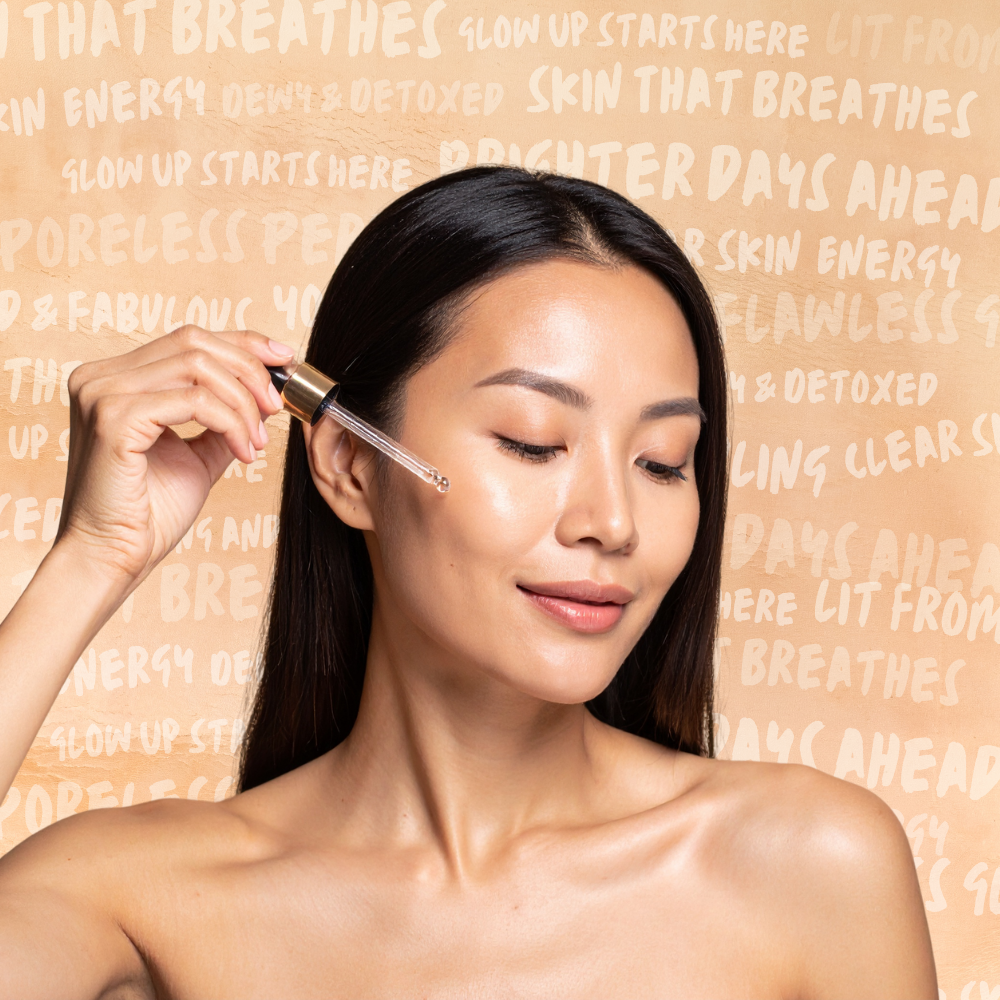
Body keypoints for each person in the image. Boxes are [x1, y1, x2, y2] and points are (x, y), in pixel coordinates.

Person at [0, 167, 935, 997]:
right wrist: (92, 556)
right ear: (352, 466)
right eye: (534, 442)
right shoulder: (140, 899)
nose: (611, 522)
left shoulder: (812, 867)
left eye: (663, 461)